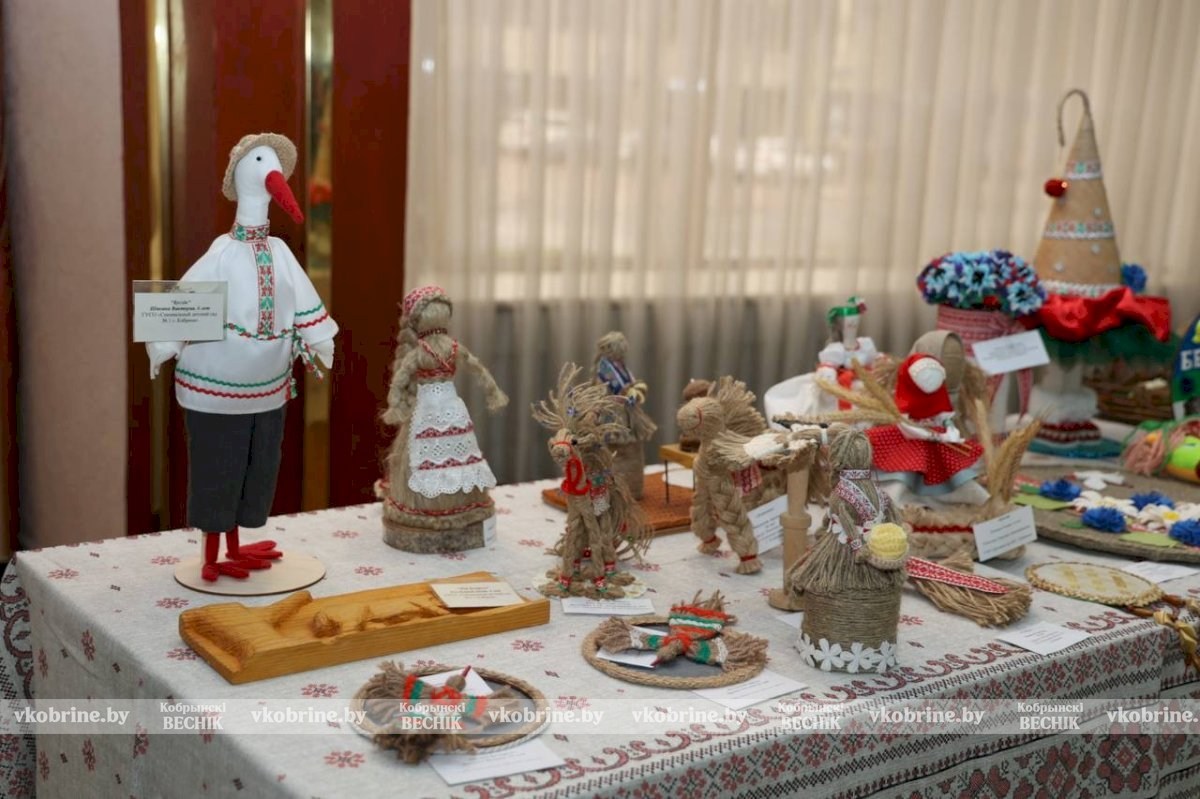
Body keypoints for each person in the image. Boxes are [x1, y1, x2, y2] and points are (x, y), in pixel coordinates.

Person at [147, 133, 337, 582]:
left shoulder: (280, 252)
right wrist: (164, 345)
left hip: (269, 385)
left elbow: (302, 295)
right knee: (219, 464)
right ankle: (212, 554)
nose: (272, 172)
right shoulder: (222, 254)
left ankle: (235, 544)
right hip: (216, 384)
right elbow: (187, 294)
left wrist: (317, 336)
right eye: (262, 163)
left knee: (258, 463)